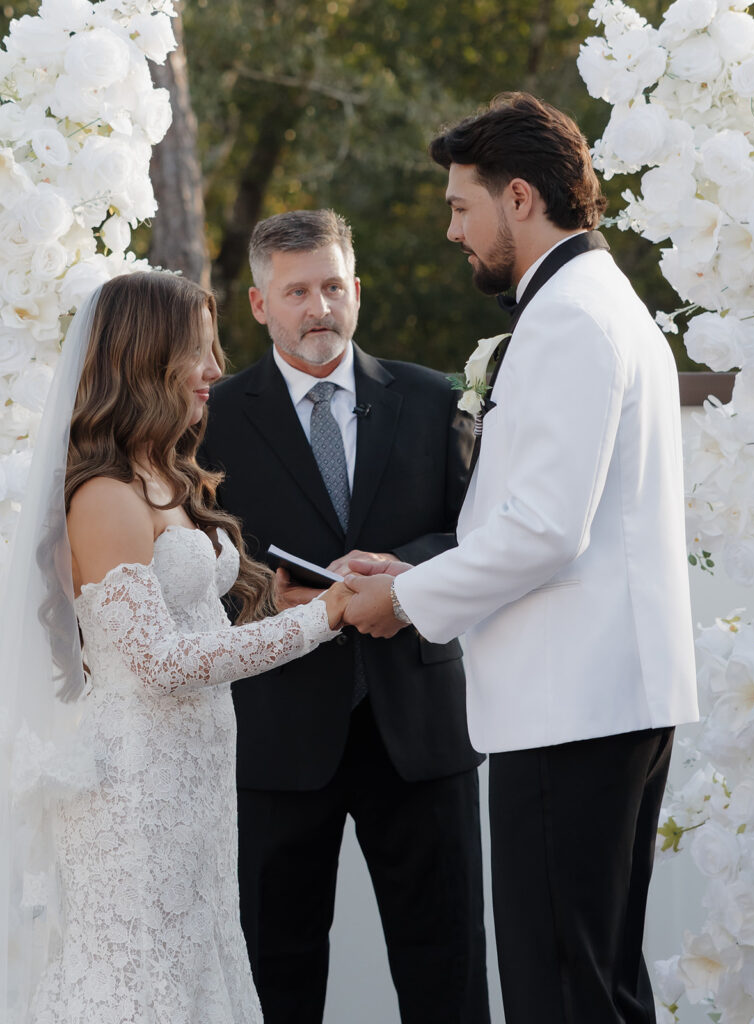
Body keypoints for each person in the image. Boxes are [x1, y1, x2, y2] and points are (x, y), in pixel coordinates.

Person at [342, 93, 699, 1024]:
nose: (451, 229)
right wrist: (416, 570)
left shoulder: (569, 318)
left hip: (569, 702)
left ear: (518, 197)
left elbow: (545, 529)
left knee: (559, 991)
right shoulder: (602, 303)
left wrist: (409, 599)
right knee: (602, 984)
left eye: (461, 206)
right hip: (603, 694)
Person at [0, 271, 353, 1024]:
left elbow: (192, 625)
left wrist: (294, 600)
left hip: (191, 776)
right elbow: (159, 664)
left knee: (196, 961)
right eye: (197, 352)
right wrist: (319, 622)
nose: (213, 371)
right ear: (145, 358)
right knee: (137, 978)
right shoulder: (105, 494)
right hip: (133, 786)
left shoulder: (161, 475)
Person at [198, 209, 490, 1024]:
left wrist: (409, 576)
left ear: (356, 290)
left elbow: (479, 534)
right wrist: (262, 597)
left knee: (448, 965)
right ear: (259, 305)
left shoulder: (437, 401)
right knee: (274, 971)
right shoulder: (211, 418)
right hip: (276, 734)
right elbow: (187, 556)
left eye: (332, 286)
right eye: (296, 292)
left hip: (420, 727)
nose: (317, 307)